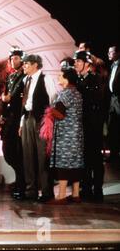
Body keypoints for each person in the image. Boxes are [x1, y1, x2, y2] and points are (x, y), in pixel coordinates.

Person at [20, 54, 56, 202]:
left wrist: (47, 120)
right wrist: (21, 123)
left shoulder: (45, 79)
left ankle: (46, 191)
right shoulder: (25, 80)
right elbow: (24, 102)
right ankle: (31, 190)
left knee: (42, 156)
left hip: (41, 120)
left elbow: (53, 98)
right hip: (27, 118)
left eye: (27, 64)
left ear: (35, 65)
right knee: (28, 155)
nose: (24, 66)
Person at [45, 68, 84, 205]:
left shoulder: (65, 94)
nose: (58, 78)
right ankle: (75, 194)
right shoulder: (78, 93)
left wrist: (49, 110)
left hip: (66, 135)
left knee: (64, 164)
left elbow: (60, 114)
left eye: (61, 76)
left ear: (67, 79)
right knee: (75, 163)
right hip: (77, 134)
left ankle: (61, 196)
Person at [74, 51, 105, 202]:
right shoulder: (79, 80)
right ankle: (86, 189)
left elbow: (96, 101)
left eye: (79, 61)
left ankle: (98, 191)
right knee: (84, 159)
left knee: (95, 159)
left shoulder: (95, 79)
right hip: (82, 125)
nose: (76, 64)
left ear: (87, 64)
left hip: (93, 125)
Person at [0, 47, 26, 200]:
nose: (13, 61)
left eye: (16, 58)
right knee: (8, 152)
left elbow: (11, 97)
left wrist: (7, 99)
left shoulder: (23, 76)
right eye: (11, 58)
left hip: (17, 118)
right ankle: (19, 180)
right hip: (9, 118)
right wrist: (2, 114)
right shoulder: (11, 77)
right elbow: (5, 97)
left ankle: (22, 183)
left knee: (17, 152)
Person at [107, 45, 120, 166]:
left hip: (119, 99)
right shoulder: (112, 65)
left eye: (111, 52)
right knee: (112, 128)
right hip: (113, 99)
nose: (108, 54)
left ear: (117, 53)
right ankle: (113, 154)